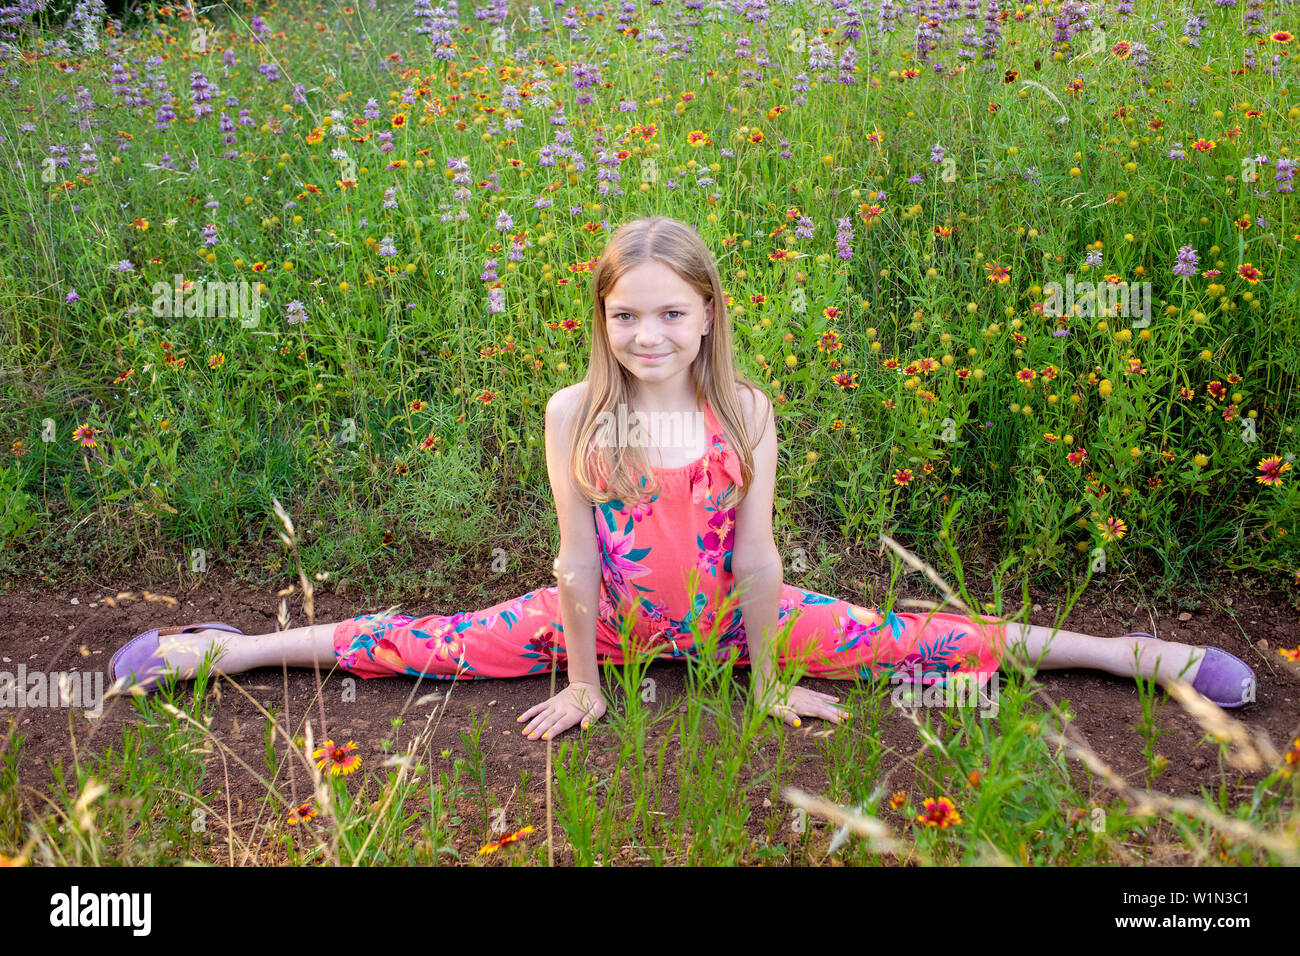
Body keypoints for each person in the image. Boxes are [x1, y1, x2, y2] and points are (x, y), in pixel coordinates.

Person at [109, 216, 1258, 739]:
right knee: (433, 645)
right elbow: (571, 554)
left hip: (737, 621)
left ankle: (1129, 657)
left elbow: (755, 553)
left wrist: (762, 679)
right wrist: (596, 682)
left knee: (920, 643)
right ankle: (224, 648)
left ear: (707, 311)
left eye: (669, 312)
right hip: (598, 623)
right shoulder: (574, 408)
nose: (646, 334)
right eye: (625, 315)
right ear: (600, 319)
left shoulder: (742, 409)